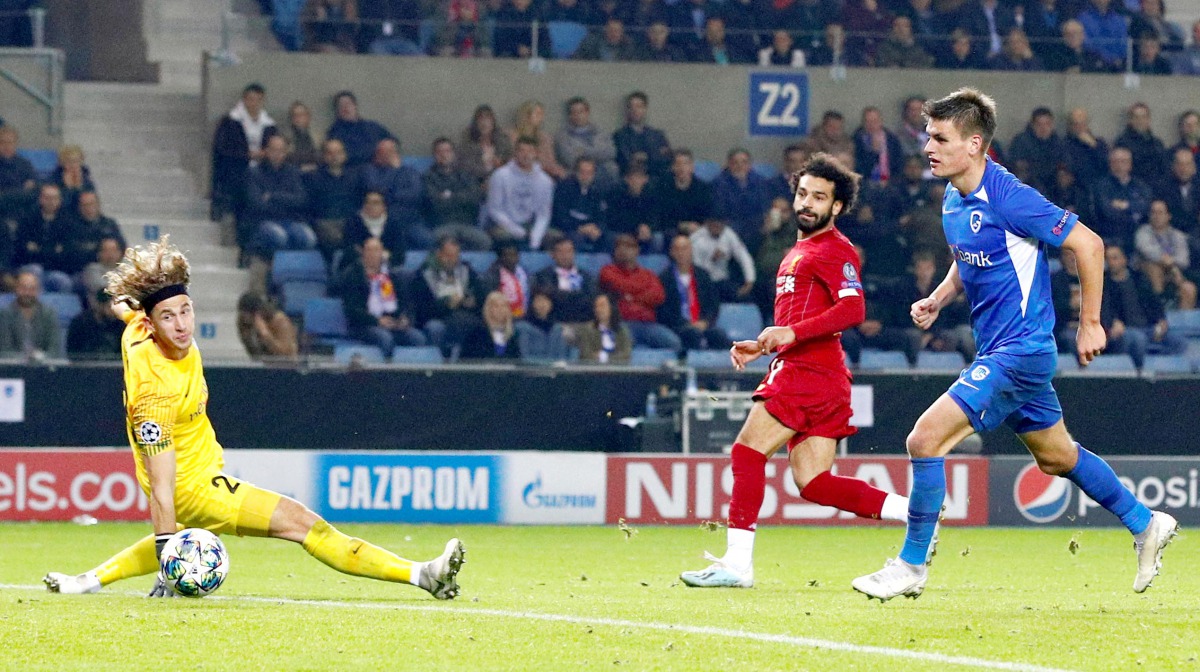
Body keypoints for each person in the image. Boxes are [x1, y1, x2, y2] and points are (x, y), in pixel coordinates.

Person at [851, 88, 1178, 602]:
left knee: (924, 439)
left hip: (1022, 350)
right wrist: (938, 297)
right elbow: (970, 255)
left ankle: (912, 565)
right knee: (1056, 456)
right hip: (998, 349)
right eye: (927, 137)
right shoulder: (954, 195)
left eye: (940, 138)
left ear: (975, 144)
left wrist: (1089, 322)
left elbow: (1088, 244)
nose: (928, 148)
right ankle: (1145, 522)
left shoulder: (1010, 196)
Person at [43, 237, 464, 598]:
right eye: (168, 317)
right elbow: (162, 487)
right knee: (306, 525)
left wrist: (124, 300)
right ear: (153, 327)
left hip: (202, 470)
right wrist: (168, 560)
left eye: (185, 311)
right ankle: (424, 575)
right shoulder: (155, 388)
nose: (181, 325)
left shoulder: (138, 324)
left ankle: (88, 581)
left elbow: (125, 308)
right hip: (193, 486)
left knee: (232, 526)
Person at [680, 154, 911, 589]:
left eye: (819, 197)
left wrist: (791, 334)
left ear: (837, 207)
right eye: (803, 193)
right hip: (818, 374)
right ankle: (914, 513)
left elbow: (854, 308)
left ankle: (737, 565)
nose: (807, 203)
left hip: (808, 371)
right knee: (814, 483)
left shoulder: (835, 249)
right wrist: (767, 343)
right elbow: (798, 320)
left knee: (747, 452)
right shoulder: (799, 251)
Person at [1102, 242, 1187, 369]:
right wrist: (1112, 322)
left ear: (1124, 259)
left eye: (1115, 258)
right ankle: (1141, 375)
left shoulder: (1139, 279)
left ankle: (1165, 371)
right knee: (1138, 339)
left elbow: (1155, 302)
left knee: (1179, 342)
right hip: (1125, 331)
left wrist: (1161, 320)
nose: (1111, 262)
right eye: (1108, 259)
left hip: (1149, 328)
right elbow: (1103, 310)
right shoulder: (1103, 284)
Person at [339, 237, 426, 357]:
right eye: (369, 250)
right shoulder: (353, 275)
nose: (373, 254)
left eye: (376, 250)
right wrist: (377, 321)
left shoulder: (391, 275)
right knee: (385, 338)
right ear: (363, 253)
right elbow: (352, 310)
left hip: (392, 323)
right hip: (364, 325)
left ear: (382, 253)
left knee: (417, 338)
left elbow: (405, 302)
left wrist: (404, 319)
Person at [210, 84, 278, 223]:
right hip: (237, 170)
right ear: (244, 100)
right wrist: (247, 155)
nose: (254, 103)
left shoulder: (269, 124)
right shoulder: (230, 121)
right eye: (251, 99)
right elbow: (222, 150)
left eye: (258, 100)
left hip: (263, 169)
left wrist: (265, 153)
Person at [599, 234, 678, 350]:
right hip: (621, 323)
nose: (623, 250)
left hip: (648, 324)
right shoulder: (607, 271)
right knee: (625, 343)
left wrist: (632, 297)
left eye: (628, 247)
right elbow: (620, 285)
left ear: (637, 250)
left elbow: (659, 296)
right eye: (619, 247)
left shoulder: (648, 274)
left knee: (673, 342)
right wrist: (643, 292)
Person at [481, 136, 555, 250]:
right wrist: (516, 230)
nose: (525, 155)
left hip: (529, 225)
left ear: (536, 153)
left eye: (530, 151)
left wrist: (536, 236)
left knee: (556, 238)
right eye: (521, 150)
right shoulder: (500, 175)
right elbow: (494, 210)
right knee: (505, 237)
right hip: (502, 225)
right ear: (515, 152)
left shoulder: (545, 181)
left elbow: (544, 214)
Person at [658, 233, 727, 351]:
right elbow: (664, 309)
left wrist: (705, 322)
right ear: (672, 253)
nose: (681, 253)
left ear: (691, 251)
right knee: (692, 335)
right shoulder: (665, 278)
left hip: (702, 323)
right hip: (678, 326)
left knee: (718, 336)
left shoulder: (703, 275)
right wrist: (686, 324)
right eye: (677, 249)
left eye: (685, 249)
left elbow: (713, 304)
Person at [422, 137, 491, 251]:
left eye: (447, 151)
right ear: (434, 155)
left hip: (468, 225)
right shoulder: (428, 177)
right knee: (445, 245)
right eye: (440, 151)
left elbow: (475, 197)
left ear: (453, 154)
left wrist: (449, 196)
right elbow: (435, 204)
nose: (444, 155)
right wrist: (461, 196)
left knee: (485, 242)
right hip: (442, 225)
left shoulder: (466, 175)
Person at [1134, 199, 1197, 309]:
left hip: (1174, 273)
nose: (1156, 216)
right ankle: (1160, 310)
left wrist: (1171, 264)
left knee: (1189, 288)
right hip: (1146, 274)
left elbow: (1184, 260)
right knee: (1155, 268)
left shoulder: (1178, 236)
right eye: (1153, 212)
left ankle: (1184, 323)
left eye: (1160, 213)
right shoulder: (1143, 232)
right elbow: (1146, 250)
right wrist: (1167, 262)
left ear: (1168, 216)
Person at [553, 97, 618, 185]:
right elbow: (571, 160)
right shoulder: (562, 137)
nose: (578, 115)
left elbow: (611, 152)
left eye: (581, 111)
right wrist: (597, 153)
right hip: (579, 175)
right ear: (570, 115)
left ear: (587, 112)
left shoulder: (601, 132)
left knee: (613, 169)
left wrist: (583, 151)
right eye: (574, 112)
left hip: (605, 171)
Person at [690, 217, 755, 303]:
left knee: (746, 298)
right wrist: (711, 259)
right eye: (714, 223)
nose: (717, 226)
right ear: (708, 223)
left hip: (723, 282)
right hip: (703, 283)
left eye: (720, 223)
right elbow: (695, 268)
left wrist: (749, 280)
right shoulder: (696, 239)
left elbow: (743, 256)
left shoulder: (729, 234)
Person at [552, 157, 609, 253]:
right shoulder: (564, 188)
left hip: (591, 229)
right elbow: (559, 216)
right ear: (576, 172)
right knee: (576, 239)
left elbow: (602, 216)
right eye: (582, 172)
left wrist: (597, 228)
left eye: (589, 173)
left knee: (609, 239)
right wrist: (580, 228)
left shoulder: (598, 191)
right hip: (569, 229)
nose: (585, 176)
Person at [0, 270, 60, 359]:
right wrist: (26, 358)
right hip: (13, 369)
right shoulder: (5, 314)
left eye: (32, 289)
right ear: (16, 289)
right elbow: (5, 351)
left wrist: (39, 357)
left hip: (43, 368)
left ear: (39, 291)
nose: (27, 293)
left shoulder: (49, 314)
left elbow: (54, 350)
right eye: (23, 288)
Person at [612, 91, 672, 178]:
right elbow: (627, 160)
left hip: (657, 179)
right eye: (631, 107)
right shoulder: (619, 136)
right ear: (627, 110)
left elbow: (667, 159)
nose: (635, 110)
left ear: (645, 109)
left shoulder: (658, 135)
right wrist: (655, 154)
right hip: (631, 180)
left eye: (639, 106)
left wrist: (646, 157)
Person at [325, 91, 393, 168]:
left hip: (381, 168)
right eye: (341, 105)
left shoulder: (372, 127)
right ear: (337, 111)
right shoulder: (334, 133)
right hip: (353, 171)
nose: (345, 108)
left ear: (355, 106)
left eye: (348, 104)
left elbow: (393, 142)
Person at [655, 149, 713, 238]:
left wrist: (697, 226)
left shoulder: (702, 188)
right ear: (673, 167)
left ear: (692, 167)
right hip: (671, 230)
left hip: (697, 231)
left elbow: (707, 214)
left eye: (686, 164)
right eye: (678, 164)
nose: (682, 168)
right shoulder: (663, 187)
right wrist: (682, 226)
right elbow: (661, 216)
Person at [458, 105, 513, 185]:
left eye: (488, 119)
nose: (484, 123)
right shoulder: (467, 145)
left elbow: (511, 163)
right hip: (475, 183)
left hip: (500, 182)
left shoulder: (503, 142)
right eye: (481, 119)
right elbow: (465, 168)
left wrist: (500, 165)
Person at [235, 292, 299, 361]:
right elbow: (252, 352)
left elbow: (286, 354)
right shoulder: (243, 323)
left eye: (247, 316)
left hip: (285, 366)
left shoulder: (280, 321)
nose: (244, 320)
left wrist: (265, 335)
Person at [460, 290, 521, 360]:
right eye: (496, 306)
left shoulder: (513, 335)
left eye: (504, 306)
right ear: (489, 309)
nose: (501, 309)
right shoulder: (477, 333)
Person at [67, 289, 126, 361]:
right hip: (85, 368)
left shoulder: (121, 324)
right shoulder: (80, 323)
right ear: (99, 304)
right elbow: (72, 352)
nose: (113, 311)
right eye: (109, 306)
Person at [575, 292, 631, 364]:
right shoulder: (587, 330)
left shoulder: (622, 330)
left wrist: (604, 357)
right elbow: (585, 355)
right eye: (596, 306)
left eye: (602, 306)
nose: (598, 310)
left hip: (617, 371)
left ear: (611, 308)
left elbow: (626, 355)